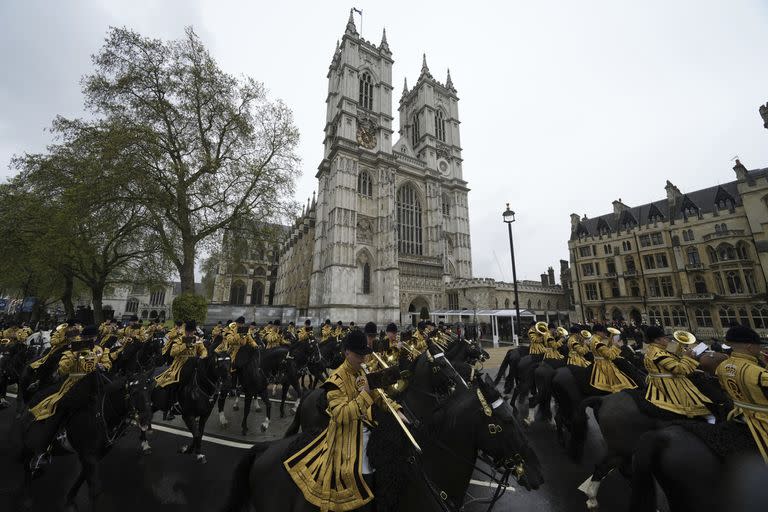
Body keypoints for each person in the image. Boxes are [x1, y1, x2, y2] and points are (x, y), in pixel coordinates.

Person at [284, 330, 406, 512]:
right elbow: (341, 415)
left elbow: (378, 395)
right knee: (366, 472)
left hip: (366, 427)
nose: (363, 360)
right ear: (347, 352)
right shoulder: (335, 380)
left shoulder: (361, 370)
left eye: (364, 355)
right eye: (358, 355)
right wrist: (364, 395)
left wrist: (395, 409)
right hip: (346, 436)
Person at [29, 325, 111, 421]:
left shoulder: (102, 349)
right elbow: (62, 370)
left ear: (96, 337)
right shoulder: (75, 347)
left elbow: (107, 363)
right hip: (74, 382)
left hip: (95, 382)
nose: (89, 340)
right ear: (83, 337)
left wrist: (104, 366)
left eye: (91, 337)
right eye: (86, 337)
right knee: (57, 403)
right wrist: (73, 357)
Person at [715, 325, 768, 462]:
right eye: (759, 346)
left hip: (738, 413)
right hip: (761, 419)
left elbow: (725, 390)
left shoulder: (721, 367)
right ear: (750, 347)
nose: (761, 349)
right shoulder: (758, 373)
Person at [642, 326, 712, 418]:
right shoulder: (658, 353)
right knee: (707, 411)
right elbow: (680, 370)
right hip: (669, 384)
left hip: (657, 381)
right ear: (657, 340)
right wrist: (687, 357)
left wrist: (680, 347)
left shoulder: (653, 349)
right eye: (664, 338)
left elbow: (671, 360)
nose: (667, 339)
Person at [154, 320, 207, 416]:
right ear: (186, 331)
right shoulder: (179, 339)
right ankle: (172, 405)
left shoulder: (196, 339)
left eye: (192, 331)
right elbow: (172, 352)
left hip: (194, 363)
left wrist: (202, 357)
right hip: (180, 364)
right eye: (189, 331)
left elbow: (203, 350)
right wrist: (185, 345)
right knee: (174, 381)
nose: (191, 333)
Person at [589, 324, 637, 393]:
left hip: (597, 360)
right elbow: (610, 356)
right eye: (603, 332)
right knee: (620, 378)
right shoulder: (598, 342)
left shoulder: (593, 339)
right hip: (603, 363)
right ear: (598, 332)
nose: (605, 334)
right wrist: (616, 346)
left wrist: (609, 344)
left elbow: (604, 350)